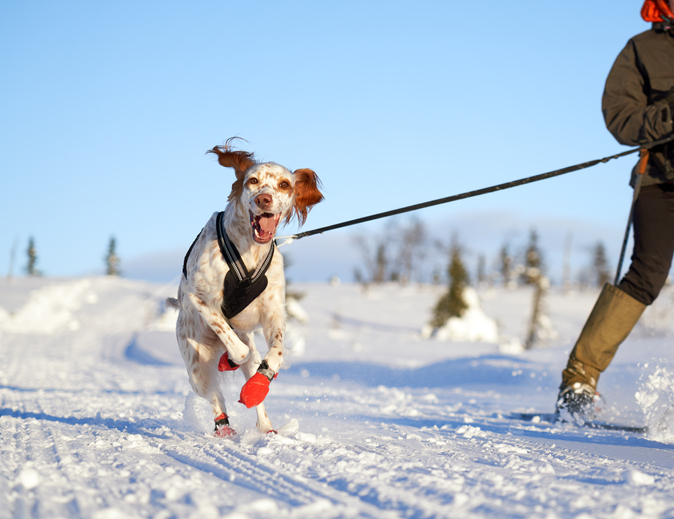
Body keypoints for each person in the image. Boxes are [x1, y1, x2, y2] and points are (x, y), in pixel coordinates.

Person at [556, 0, 674, 417]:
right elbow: (621, 119)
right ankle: (579, 381)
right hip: (660, 180)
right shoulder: (641, 50)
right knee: (645, 277)